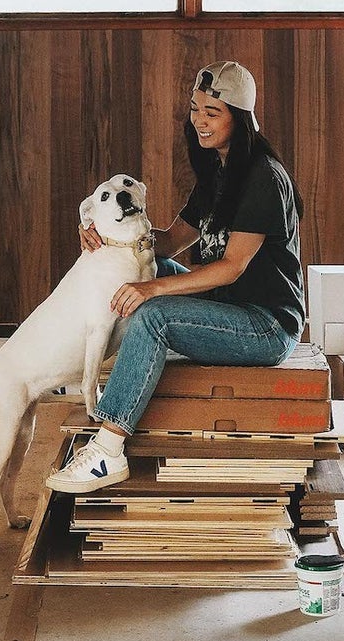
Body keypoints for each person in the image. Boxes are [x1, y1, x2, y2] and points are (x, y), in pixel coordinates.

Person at [46, 61, 305, 494]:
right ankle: (81, 365)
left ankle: (108, 451)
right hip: (228, 307)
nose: (200, 121)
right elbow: (164, 245)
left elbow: (233, 265)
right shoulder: (218, 172)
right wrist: (100, 233)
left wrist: (153, 289)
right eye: (195, 109)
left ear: (239, 118)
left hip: (265, 325)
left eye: (213, 113)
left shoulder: (261, 176)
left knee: (155, 312)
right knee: (152, 268)